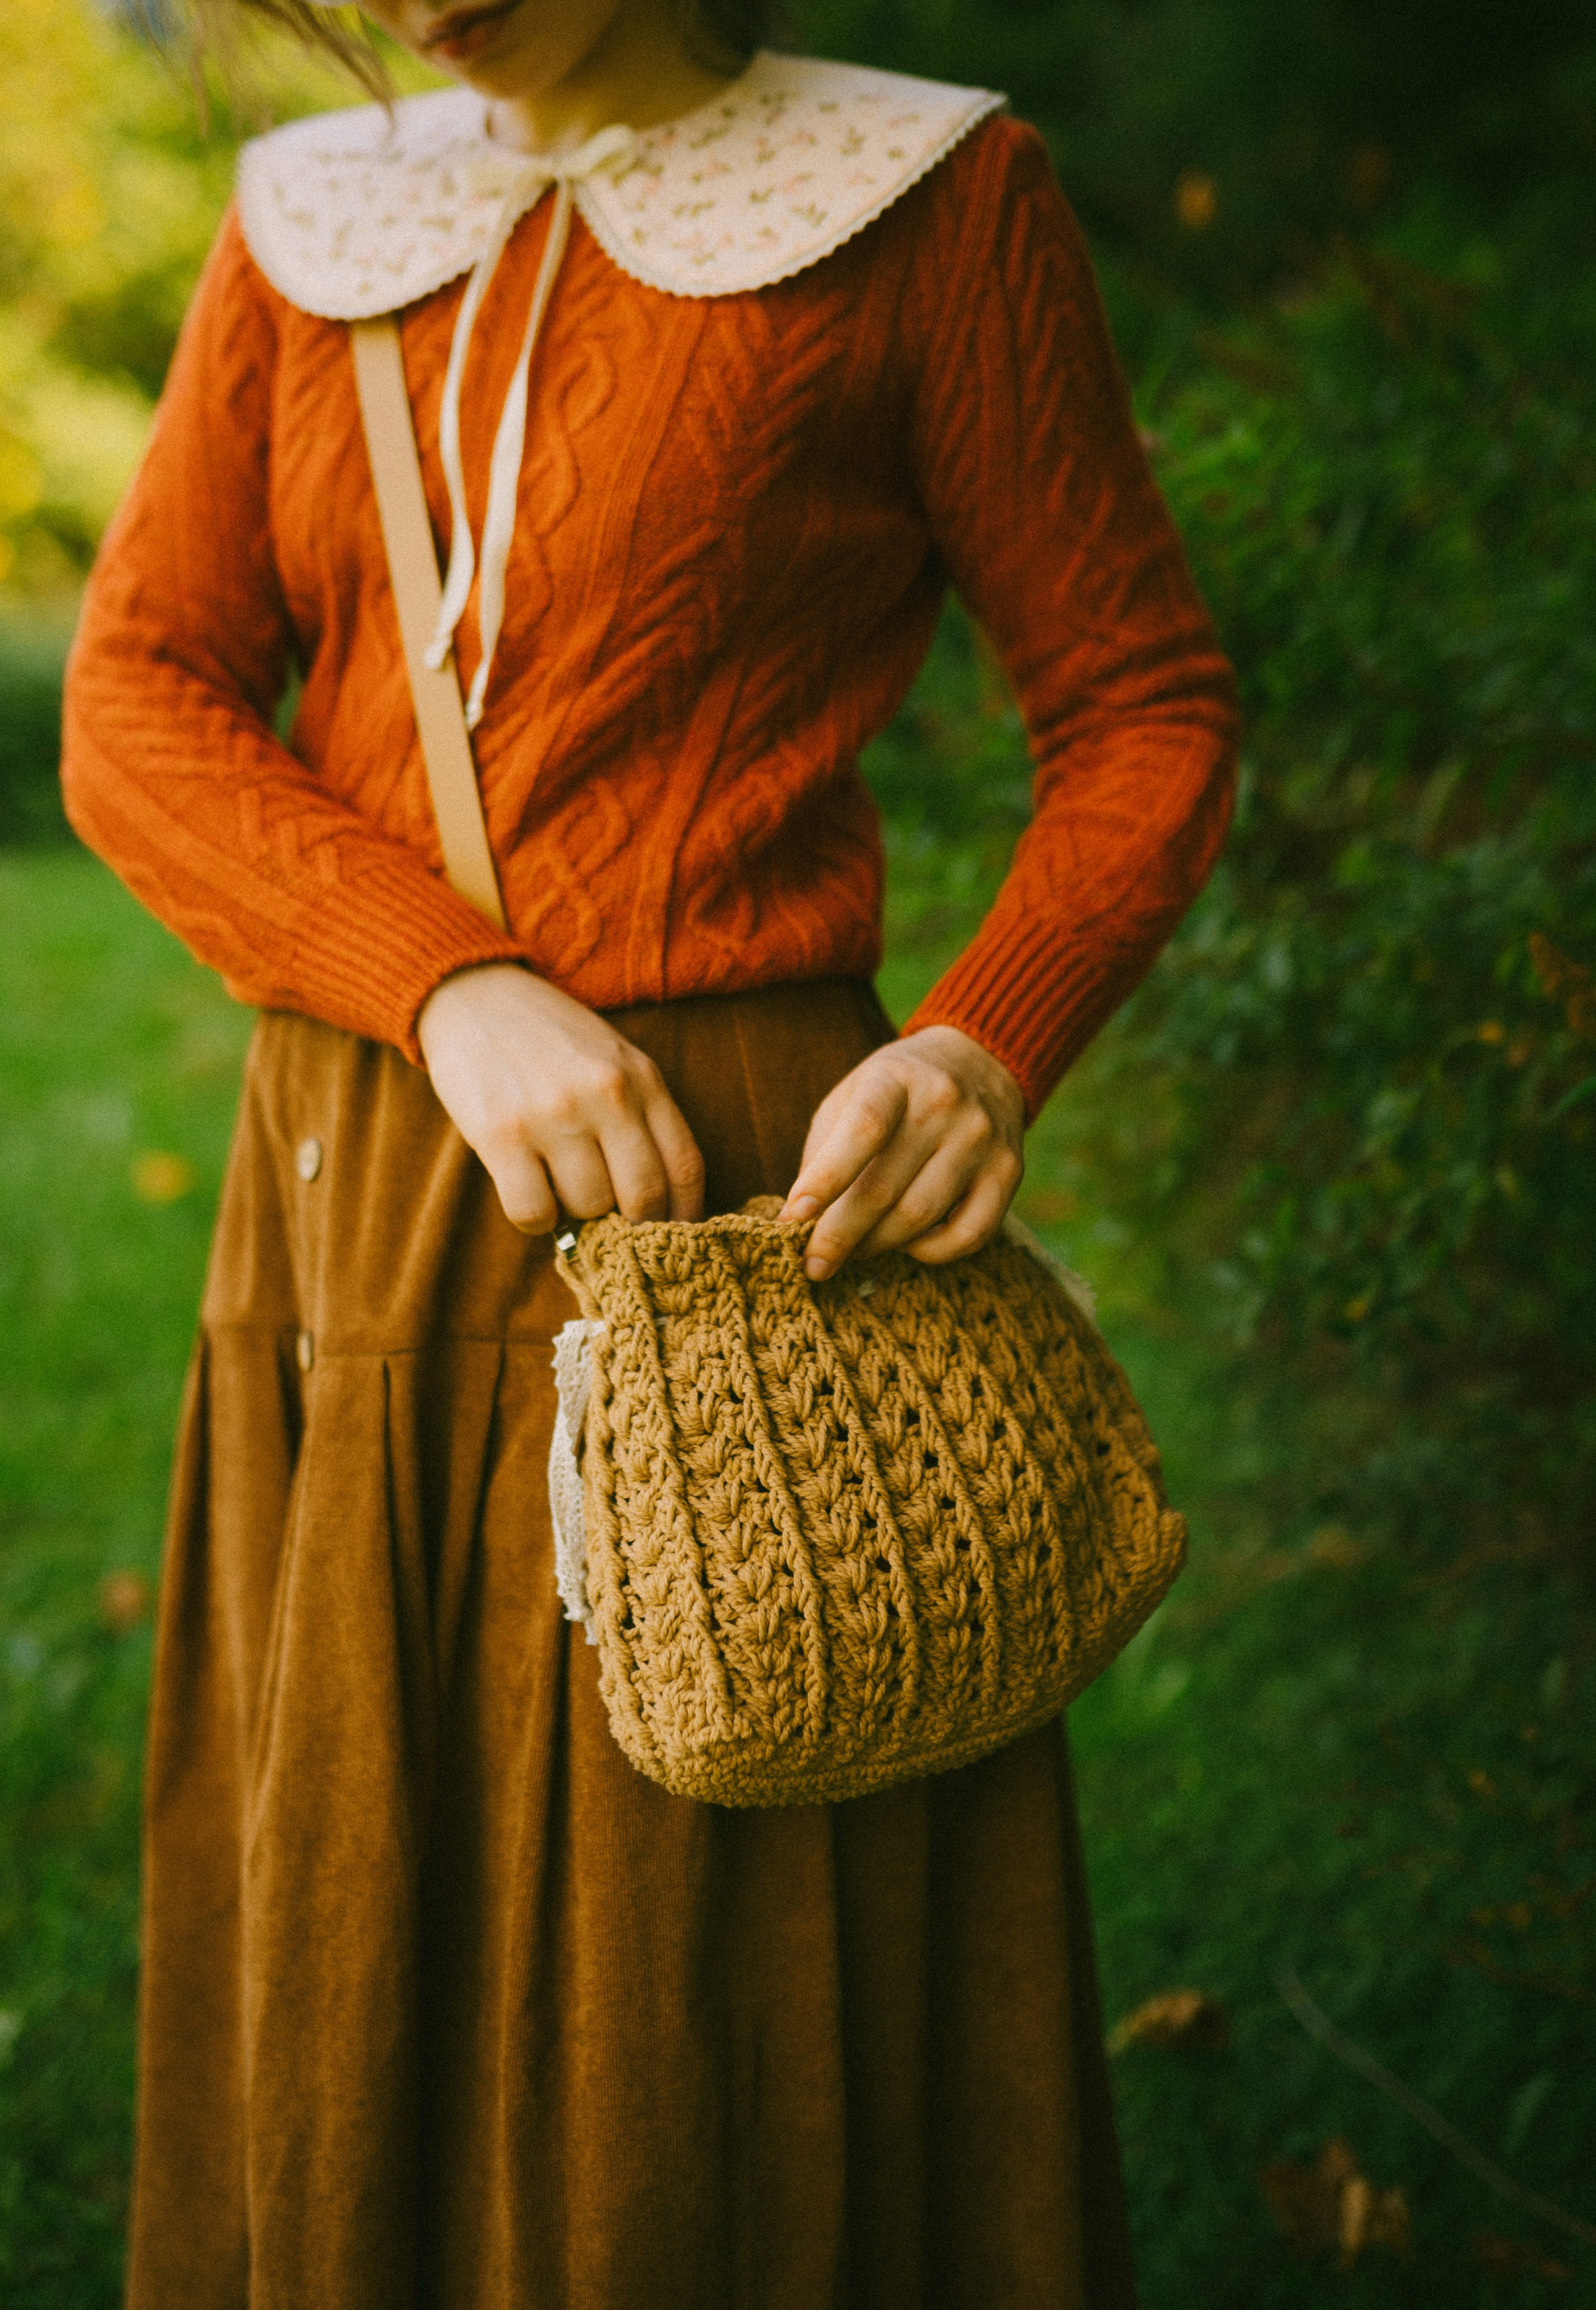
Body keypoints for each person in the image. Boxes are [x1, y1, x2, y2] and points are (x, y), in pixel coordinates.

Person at [62, 0, 1239, 2301]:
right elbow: (136, 698)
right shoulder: (311, 220)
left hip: (737, 1207)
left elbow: (1142, 706)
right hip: (364, 1181)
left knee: (712, 1937)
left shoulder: (927, 199)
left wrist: (990, 1044)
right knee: (366, 1866)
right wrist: (442, 979)